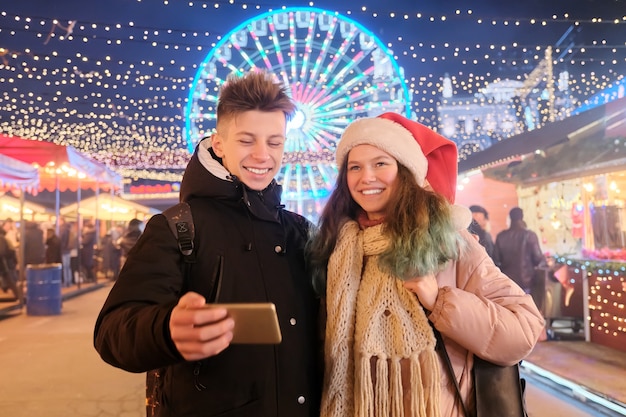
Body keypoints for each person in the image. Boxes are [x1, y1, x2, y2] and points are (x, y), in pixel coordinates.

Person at [94, 70, 321, 417]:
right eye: (246, 140)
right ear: (218, 144)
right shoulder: (178, 227)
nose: (262, 155)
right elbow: (112, 332)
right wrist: (166, 330)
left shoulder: (301, 232)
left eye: (274, 142)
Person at [306, 113, 544, 417]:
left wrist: (440, 301)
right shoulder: (333, 249)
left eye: (380, 163)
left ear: (405, 172)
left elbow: (523, 329)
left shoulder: (447, 242)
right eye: (355, 167)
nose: (366, 177)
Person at [493, 207, 546, 295]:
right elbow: (538, 258)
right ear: (522, 217)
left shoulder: (501, 236)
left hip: (507, 281)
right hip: (525, 281)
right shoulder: (530, 235)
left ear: (510, 218)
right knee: (524, 306)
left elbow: (495, 260)